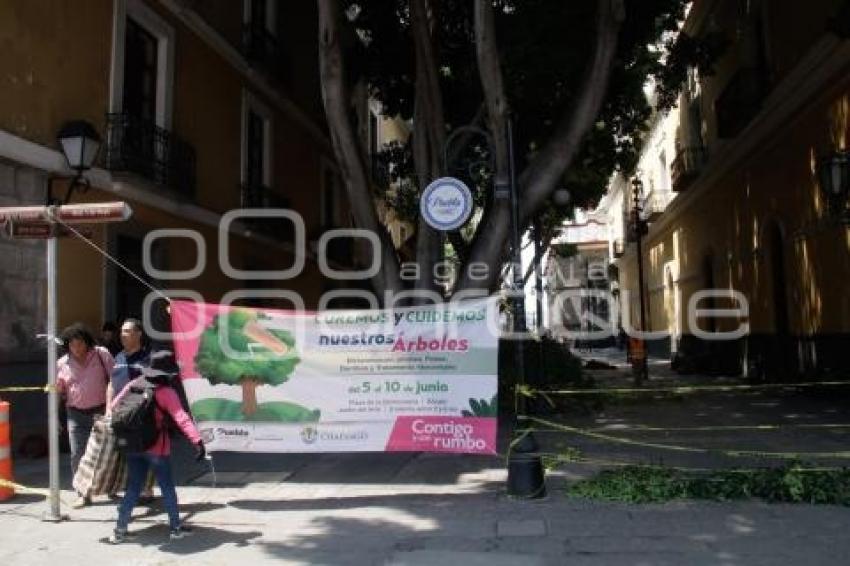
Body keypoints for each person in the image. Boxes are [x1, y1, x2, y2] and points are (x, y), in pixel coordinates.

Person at [109, 350, 206, 544]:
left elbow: (114, 407)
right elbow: (182, 418)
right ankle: (175, 528)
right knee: (167, 487)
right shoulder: (167, 393)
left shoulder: (133, 385)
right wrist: (197, 441)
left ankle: (120, 530)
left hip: (132, 446)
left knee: (134, 487)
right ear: (167, 374)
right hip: (157, 448)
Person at [56, 322, 115, 508]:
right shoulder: (62, 363)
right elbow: (58, 391)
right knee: (77, 454)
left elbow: (115, 379)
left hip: (101, 411)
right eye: (72, 345)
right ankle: (83, 493)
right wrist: (55, 418)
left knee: (105, 453)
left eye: (80, 343)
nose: (77, 348)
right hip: (75, 414)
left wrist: (111, 409)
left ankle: (110, 486)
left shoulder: (101, 354)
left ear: (87, 342)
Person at [105, 318, 154, 501]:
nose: (122, 335)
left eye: (127, 331)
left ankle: (146, 489)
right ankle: (120, 486)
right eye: (122, 331)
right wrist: (109, 408)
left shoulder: (147, 358)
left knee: (142, 452)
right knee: (121, 452)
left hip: (138, 415)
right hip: (118, 414)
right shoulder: (117, 357)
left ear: (138, 334)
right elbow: (111, 383)